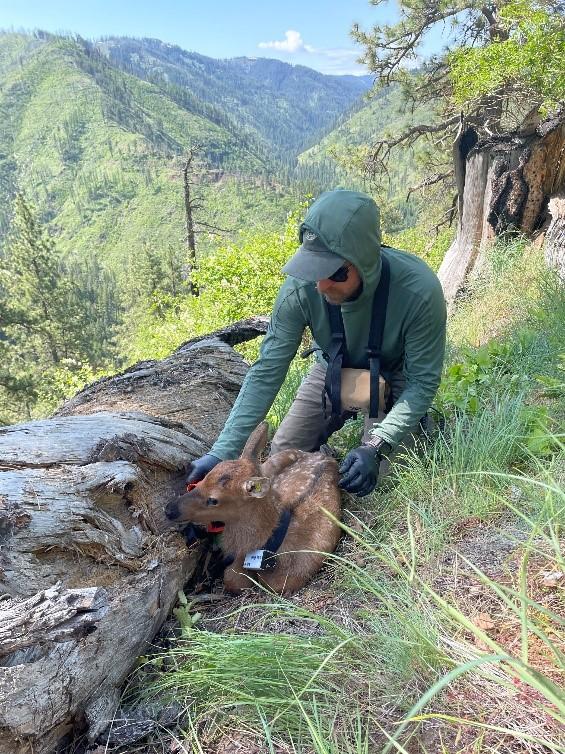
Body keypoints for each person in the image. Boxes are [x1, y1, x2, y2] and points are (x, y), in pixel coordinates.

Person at [187, 189, 447, 496]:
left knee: (378, 485)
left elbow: (422, 382)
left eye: (334, 272)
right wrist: (221, 453)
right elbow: (267, 371)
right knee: (280, 460)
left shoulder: (418, 292)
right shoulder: (299, 291)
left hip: (395, 377)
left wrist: (376, 446)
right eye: (314, 270)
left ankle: (420, 429)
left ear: (365, 261)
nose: (321, 284)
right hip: (335, 374)